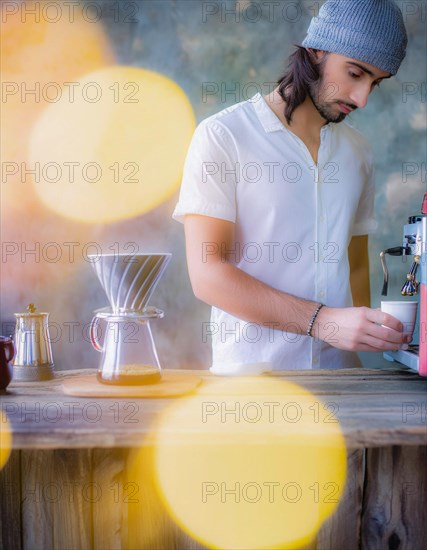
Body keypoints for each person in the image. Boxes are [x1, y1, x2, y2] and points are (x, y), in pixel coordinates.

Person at [173, 0, 410, 373]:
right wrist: (325, 322)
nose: (362, 98)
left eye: (375, 84)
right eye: (355, 73)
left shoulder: (358, 153)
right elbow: (207, 275)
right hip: (252, 384)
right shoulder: (224, 137)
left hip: (342, 382)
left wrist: (370, 334)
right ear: (317, 49)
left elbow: (355, 265)